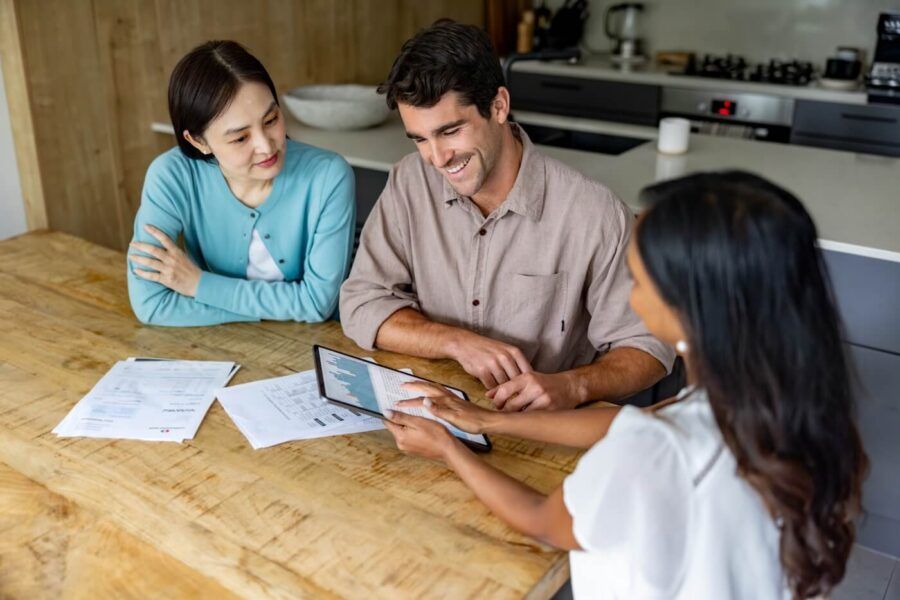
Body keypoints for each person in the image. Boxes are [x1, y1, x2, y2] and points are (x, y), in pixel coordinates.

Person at [383, 171, 868, 599]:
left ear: (687, 307)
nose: (630, 297)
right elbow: (628, 421)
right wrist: (489, 421)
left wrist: (449, 448)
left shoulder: (653, 453)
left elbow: (542, 520)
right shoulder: (784, 404)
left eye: (636, 280)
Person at [340, 21, 673, 411]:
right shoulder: (409, 182)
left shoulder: (595, 215)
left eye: (451, 131)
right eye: (420, 139)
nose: (437, 158)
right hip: (432, 416)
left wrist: (573, 386)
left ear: (499, 106)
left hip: (540, 430)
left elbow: (648, 346)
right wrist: (454, 341)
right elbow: (362, 303)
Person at [127, 40, 355, 326]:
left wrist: (200, 286)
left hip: (313, 346)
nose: (266, 146)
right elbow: (151, 304)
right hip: (214, 349)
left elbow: (318, 303)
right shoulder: (172, 176)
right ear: (198, 141)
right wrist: (288, 307)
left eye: (271, 120)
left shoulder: (328, 176)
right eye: (240, 138)